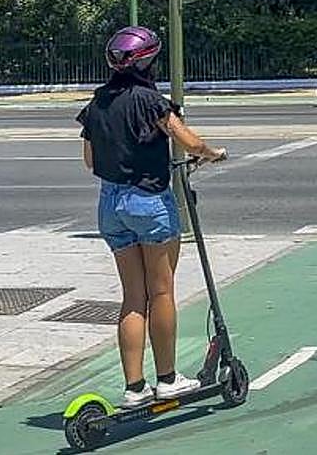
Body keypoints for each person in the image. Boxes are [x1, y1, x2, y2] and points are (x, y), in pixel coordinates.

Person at [76, 26, 226, 408]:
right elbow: (187, 140)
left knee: (132, 297)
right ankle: (168, 379)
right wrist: (212, 153)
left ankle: (133, 388)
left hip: (110, 206)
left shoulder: (97, 103)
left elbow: (91, 161)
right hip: (148, 203)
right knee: (161, 291)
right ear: (146, 62)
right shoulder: (149, 100)